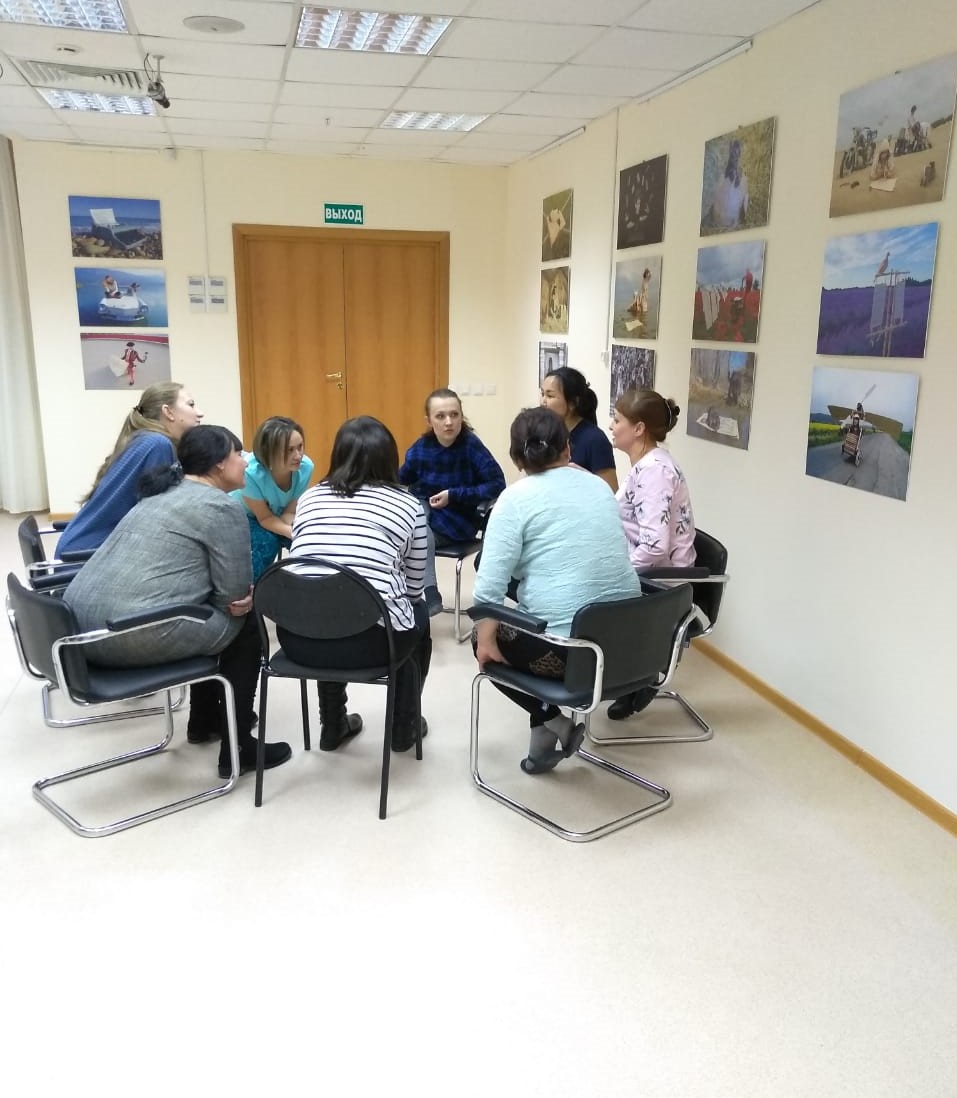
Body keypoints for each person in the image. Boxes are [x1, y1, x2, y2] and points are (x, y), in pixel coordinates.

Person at [62, 425, 292, 779]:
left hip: (77, 633)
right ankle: (238, 747)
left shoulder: (159, 494)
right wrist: (240, 599)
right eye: (238, 454)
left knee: (207, 613)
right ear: (218, 463)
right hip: (124, 635)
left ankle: (204, 719)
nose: (246, 462)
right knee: (245, 625)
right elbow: (234, 597)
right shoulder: (221, 507)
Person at [473, 408, 642, 774]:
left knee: (485, 638)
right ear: (568, 448)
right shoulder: (599, 487)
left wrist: (486, 639)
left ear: (516, 458)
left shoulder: (515, 500)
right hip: (631, 645)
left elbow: (487, 590)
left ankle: (553, 720)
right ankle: (543, 741)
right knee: (536, 602)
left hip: (570, 653)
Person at [288, 416, 431, 753]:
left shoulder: (309, 498)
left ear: (338, 454)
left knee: (322, 606)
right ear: (389, 457)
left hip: (299, 640)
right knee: (417, 616)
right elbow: (413, 589)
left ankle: (332, 724)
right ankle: (403, 726)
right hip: (375, 646)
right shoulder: (408, 504)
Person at [606, 389, 696, 721]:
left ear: (639, 428)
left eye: (617, 420)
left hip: (661, 579)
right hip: (647, 568)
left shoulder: (655, 472)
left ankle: (638, 676)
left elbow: (655, 547)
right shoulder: (646, 465)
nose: (612, 426)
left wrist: (616, 573)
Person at [57, 382, 203, 555]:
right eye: (191, 405)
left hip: (82, 546)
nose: (200, 413)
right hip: (89, 556)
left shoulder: (143, 439)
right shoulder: (158, 444)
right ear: (168, 412)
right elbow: (159, 516)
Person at [399, 388, 505, 615]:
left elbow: (497, 484)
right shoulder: (421, 448)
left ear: (461, 416)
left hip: (458, 520)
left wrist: (453, 495)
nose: (449, 422)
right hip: (425, 510)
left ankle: (426, 594)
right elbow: (401, 479)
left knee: (416, 533)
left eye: (454, 415)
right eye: (440, 416)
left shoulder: (471, 446)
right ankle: (419, 596)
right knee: (414, 521)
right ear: (429, 421)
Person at [231, 415, 314, 581]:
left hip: (277, 514)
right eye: (289, 450)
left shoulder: (306, 467)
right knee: (266, 542)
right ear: (269, 452)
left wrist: (299, 534)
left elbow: (290, 512)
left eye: (300, 447)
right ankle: (253, 591)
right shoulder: (250, 472)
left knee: (311, 541)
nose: (298, 455)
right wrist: (293, 533)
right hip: (246, 516)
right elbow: (265, 518)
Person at [540, 366, 617, 489]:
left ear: (572, 403)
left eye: (550, 396)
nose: (543, 401)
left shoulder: (595, 440)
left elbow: (610, 491)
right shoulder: (545, 434)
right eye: (542, 394)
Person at [706, 138, 749, 229]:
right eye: (733, 155)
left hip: (732, 222)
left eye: (737, 155)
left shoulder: (743, 180)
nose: (735, 158)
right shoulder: (721, 178)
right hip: (719, 221)